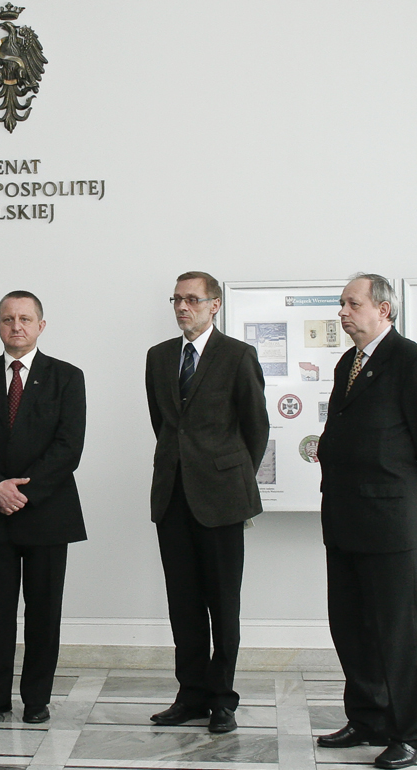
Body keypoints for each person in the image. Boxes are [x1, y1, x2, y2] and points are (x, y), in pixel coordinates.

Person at [316, 274, 417, 769]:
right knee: (350, 625)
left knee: (397, 631)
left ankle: (409, 734)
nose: (343, 312)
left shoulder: (411, 360)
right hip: (345, 516)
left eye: (352, 304)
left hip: (390, 518)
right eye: (341, 304)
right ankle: (368, 718)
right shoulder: (347, 363)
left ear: (384, 310)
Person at [144, 271, 269, 734]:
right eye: (176, 299)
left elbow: (256, 428)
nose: (182, 307)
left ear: (215, 305)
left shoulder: (237, 355)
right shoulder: (159, 357)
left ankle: (223, 699)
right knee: (183, 603)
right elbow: (164, 425)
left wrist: (229, 478)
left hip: (221, 498)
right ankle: (191, 694)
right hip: (172, 495)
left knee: (222, 603)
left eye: (192, 300)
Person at [0, 291, 86, 725]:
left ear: (41, 326)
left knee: (43, 612)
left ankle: (36, 699)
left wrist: (22, 491)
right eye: (8, 319)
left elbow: (69, 448)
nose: (17, 326)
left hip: (47, 513)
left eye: (25, 319)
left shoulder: (67, 377)